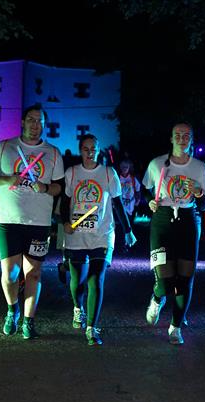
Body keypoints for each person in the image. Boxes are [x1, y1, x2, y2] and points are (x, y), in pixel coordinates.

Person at [0, 104, 65, 339]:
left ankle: (29, 321)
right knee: (10, 274)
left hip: (38, 221)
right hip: (7, 220)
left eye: (40, 121)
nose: (35, 125)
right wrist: (6, 179)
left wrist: (45, 188)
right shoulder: (5, 147)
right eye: (31, 120)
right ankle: (12, 310)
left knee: (34, 273)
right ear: (22, 122)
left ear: (44, 125)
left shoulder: (53, 153)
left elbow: (59, 187)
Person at [61, 134, 136, 345]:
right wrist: (64, 221)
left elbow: (118, 204)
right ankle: (78, 307)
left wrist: (128, 230)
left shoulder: (108, 173)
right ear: (80, 150)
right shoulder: (72, 172)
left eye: (93, 149)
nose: (90, 152)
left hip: (102, 234)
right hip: (76, 234)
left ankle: (92, 328)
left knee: (96, 278)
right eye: (86, 149)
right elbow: (65, 202)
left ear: (98, 150)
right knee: (77, 282)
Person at [142, 123, 205, 345]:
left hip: (188, 221)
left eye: (186, 135)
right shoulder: (157, 164)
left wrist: (198, 192)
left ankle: (176, 326)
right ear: (171, 138)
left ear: (191, 140)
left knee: (184, 279)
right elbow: (145, 190)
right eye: (178, 135)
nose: (182, 138)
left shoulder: (199, 167)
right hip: (162, 221)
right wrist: (150, 202)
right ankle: (157, 298)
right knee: (164, 282)